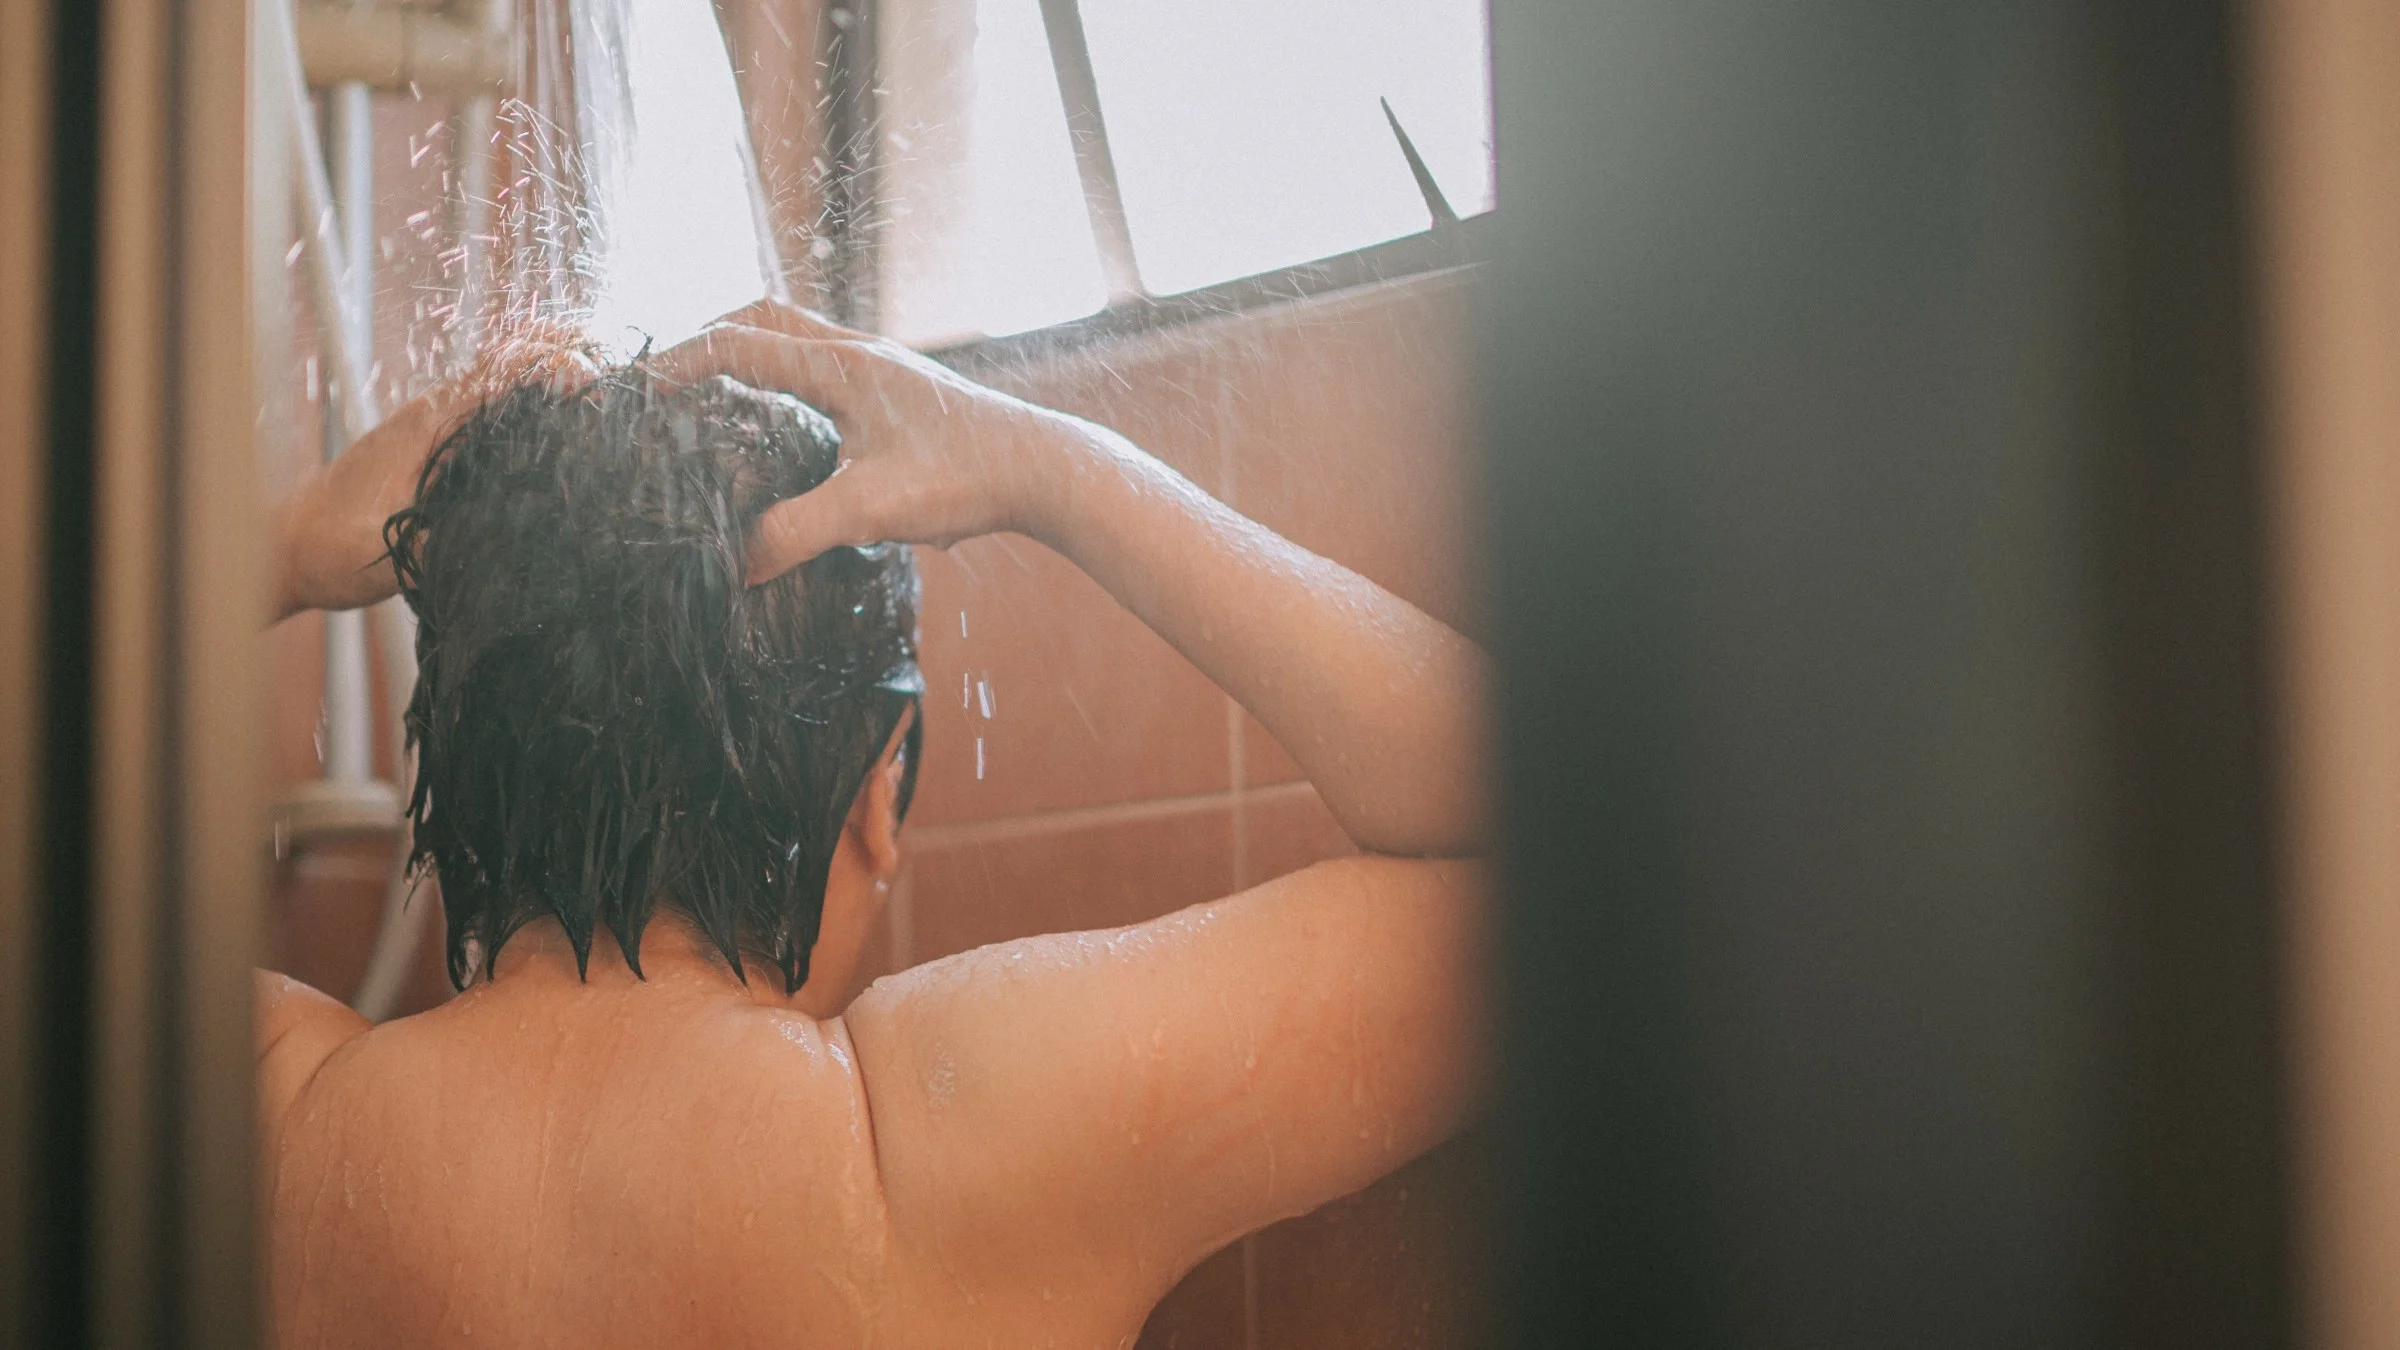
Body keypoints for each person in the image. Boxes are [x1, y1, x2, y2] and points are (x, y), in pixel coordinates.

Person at [256, 300, 1490, 1349]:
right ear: (876, 787)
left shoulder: (275, 1127)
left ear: (456, 747)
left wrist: (283, 548)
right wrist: (1049, 466)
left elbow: (59, 805)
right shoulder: (942, 1147)